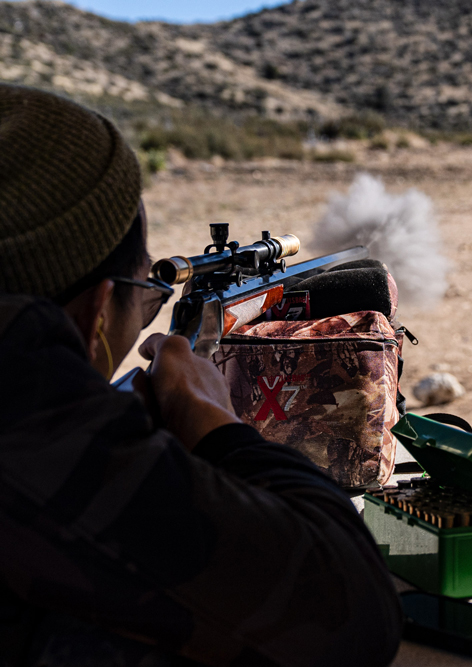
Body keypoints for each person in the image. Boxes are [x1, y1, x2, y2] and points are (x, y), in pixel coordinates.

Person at [0, 84, 402, 666]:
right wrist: (210, 418)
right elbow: (350, 614)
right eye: (145, 296)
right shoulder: (30, 419)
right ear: (95, 313)